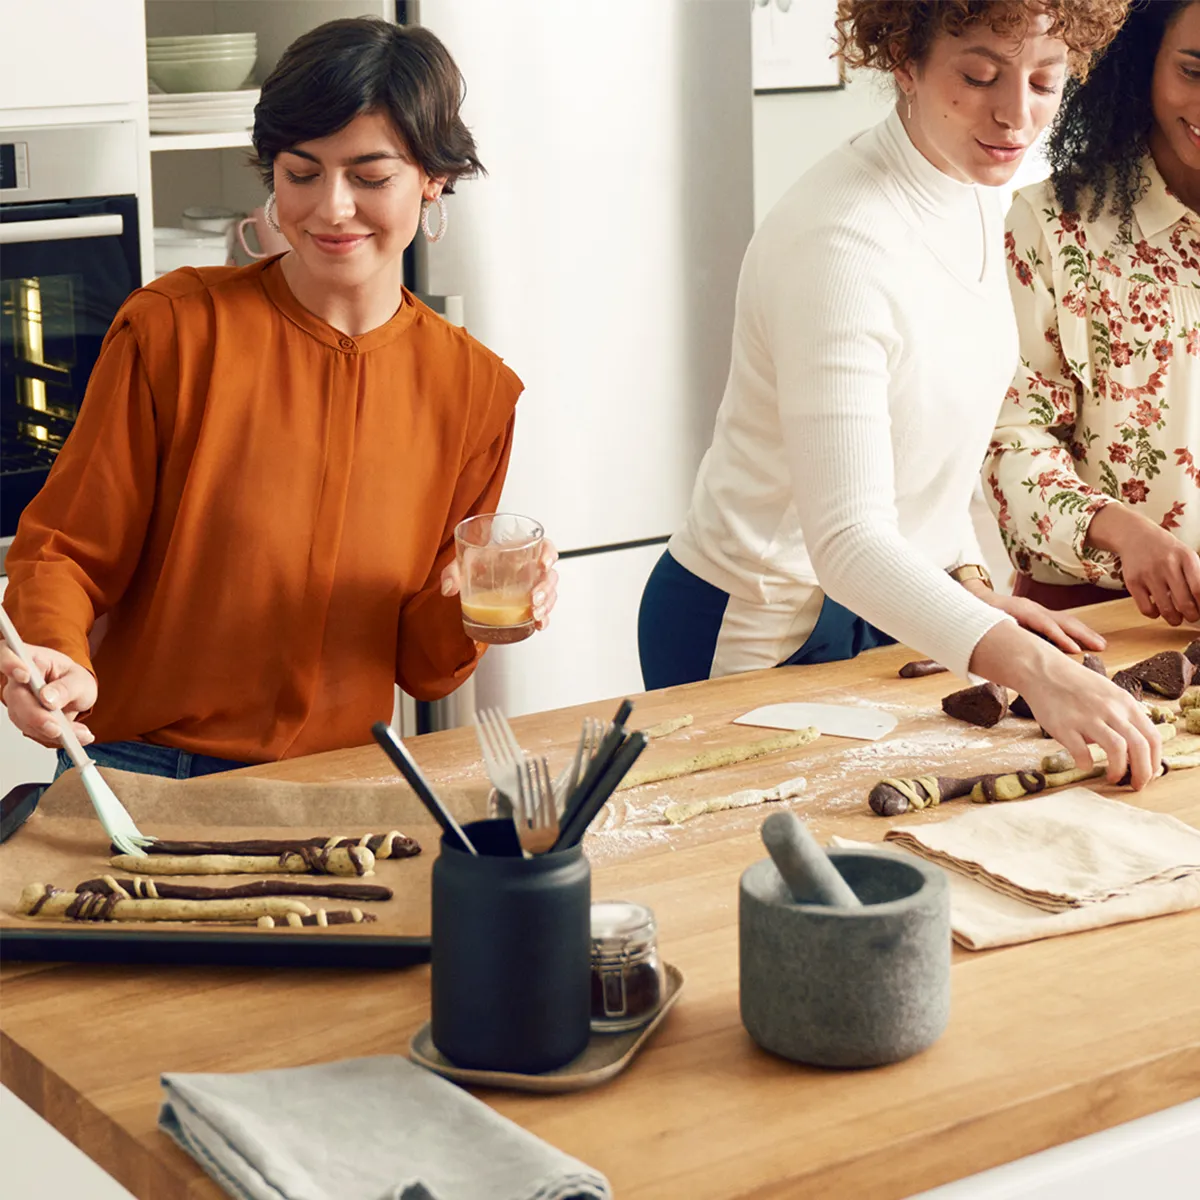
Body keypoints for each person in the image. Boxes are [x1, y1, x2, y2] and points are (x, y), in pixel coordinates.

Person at [0, 18, 557, 779]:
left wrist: (472, 611)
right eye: (302, 173)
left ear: (432, 176)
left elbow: (424, 669)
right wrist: (59, 655)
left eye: (369, 176)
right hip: (140, 770)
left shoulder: (474, 388)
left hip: (337, 783)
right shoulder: (174, 330)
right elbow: (65, 551)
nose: (331, 208)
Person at [639, 0, 1162, 787]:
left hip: (883, 606)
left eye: (1045, 82)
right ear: (904, 61)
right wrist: (1035, 670)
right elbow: (846, 540)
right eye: (979, 75)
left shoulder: (972, 188)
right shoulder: (841, 242)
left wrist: (969, 588)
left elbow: (929, 444)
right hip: (756, 621)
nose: (1016, 115)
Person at [984, 0, 1200, 626]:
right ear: (1142, 64)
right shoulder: (1051, 225)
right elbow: (1011, 442)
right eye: (1193, 72)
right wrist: (1124, 532)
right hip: (1090, 623)